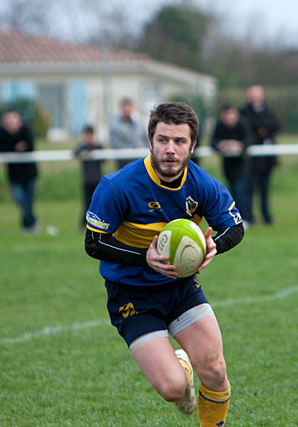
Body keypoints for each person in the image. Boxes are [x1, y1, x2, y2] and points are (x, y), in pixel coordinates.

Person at [84, 102, 244, 426]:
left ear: (192, 145)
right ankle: (181, 369)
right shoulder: (118, 186)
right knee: (174, 388)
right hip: (132, 295)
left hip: (181, 288)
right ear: (151, 140)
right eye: (163, 140)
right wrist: (143, 258)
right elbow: (93, 242)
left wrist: (215, 245)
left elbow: (235, 227)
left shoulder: (202, 185)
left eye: (179, 141)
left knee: (215, 370)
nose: (170, 149)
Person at [240, 84, 280, 225]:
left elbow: (275, 125)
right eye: (252, 94)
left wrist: (263, 129)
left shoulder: (268, 110)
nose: (254, 97)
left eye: (257, 94)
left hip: (267, 159)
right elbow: (247, 128)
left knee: (265, 190)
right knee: (250, 188)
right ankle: (249, 217)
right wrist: (260, 131)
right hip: (251, 160)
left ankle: (266, 217)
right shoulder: (244, 112)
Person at [0, 110, 38, 233]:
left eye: (13, 121)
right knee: (20, 199)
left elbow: (30, 145)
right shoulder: (2, 134)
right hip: (14, 175)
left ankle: (26, 227)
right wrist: (15, 148)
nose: (11, 124)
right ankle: (33, 221)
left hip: (29, 173)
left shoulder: (26, 130)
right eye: (8, 122)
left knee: (29, 202)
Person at [211, 104, 252, 223]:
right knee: (231, 191)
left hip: (242, 165)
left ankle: (244, 218)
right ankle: (235, 218)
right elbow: (212, 142)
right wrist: (220, 146)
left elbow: (249, 140)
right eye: (227, 115)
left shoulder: (243, 124)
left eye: (232, 115)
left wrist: (239, 145)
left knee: (241, 191)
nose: (229, 118)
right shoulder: (219, 126)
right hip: (227, 165)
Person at [74, 125, 104, 229]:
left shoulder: (98, 146)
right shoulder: (83, 147)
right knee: (86, 204)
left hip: (97, 180)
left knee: (97, 203)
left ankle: (98, 223)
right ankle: (83, 224)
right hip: (87, 181)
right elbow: (75, 153)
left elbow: (103, 159)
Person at [109, 97, 148, 170]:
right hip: (123, 161)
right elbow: (115, 144)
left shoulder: (139, 122)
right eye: (125, 106)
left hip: (139, 159)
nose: (127, 109)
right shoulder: (114, 124)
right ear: (121, 108)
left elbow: (145, 139)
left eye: (129, 106)